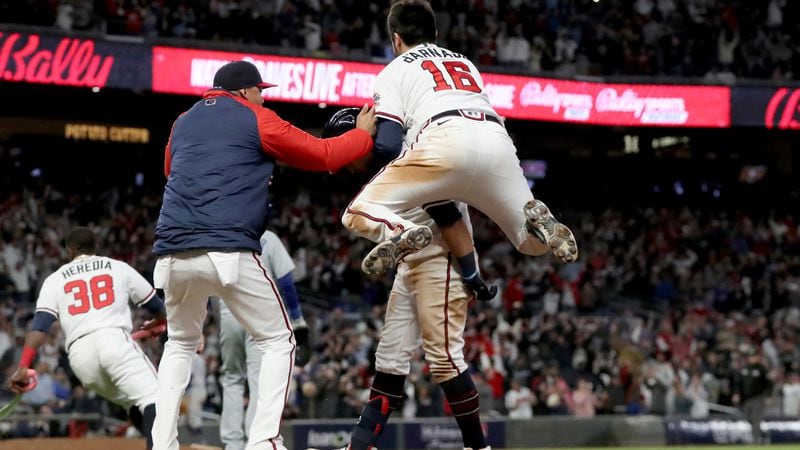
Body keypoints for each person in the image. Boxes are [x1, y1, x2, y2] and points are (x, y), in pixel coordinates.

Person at [150, 60, 376, 450]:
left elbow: (172, 170)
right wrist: (361, 136)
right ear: (243, 91)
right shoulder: (256, 116)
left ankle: (162, 443)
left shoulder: (182, 121)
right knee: (278, 340)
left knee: (180, 344)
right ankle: (264, 441)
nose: (262, 95)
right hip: (227, 248)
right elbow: (322, 155)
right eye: (259, 90)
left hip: (170, 253)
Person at [340, 0, 578, 291]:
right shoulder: (464, 61)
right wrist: (470, 276)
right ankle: (541, 224)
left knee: (359, 211)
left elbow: (389, 144)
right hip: (496, 140)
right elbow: (449, 216)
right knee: (529, 244)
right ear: (435, 33)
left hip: (442, 141)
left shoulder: (394, 69)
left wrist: (364, 151)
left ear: (396, 39)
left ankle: (403, 231)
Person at [311, 108, 492, 450]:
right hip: (412, 260)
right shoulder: (386, 166)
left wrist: (470, 273)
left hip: (443, 257)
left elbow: (451, 219)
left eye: (348, 150)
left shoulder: (409, 157)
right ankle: (360, 446)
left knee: (444, 359)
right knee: (389, 359)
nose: (347, 164)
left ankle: (478, 447)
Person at [7, 227, 165, 449]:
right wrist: (159, 322)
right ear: (96, 248)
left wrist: (24, 365)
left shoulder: (55, 279)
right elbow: (156, 306)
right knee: (158, 399)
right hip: (113, 341)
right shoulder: (118, 267)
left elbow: (40, 325)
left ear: (70, 250)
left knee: (135, 402)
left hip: (81, 359)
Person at [219, 229, 308, 450]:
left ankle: (231, 444)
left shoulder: (221, 234)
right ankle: (254, 441)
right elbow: (286, 282)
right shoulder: (267, 237)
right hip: (257, 314)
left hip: (227, 313)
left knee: (231, 378)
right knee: (257, 379)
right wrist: (297, 320)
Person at [733, 345, 772, 444]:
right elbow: (738, 383)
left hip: (758, 397)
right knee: (747, 417)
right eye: (750, 356)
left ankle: (756, 441)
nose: (752, 358)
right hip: (746, 399)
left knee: (756, 419)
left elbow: (768, 383)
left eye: (754, 356)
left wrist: (768, 395)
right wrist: (736, 394)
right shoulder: (744, 369)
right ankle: (762, 434)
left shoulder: (761, 369)